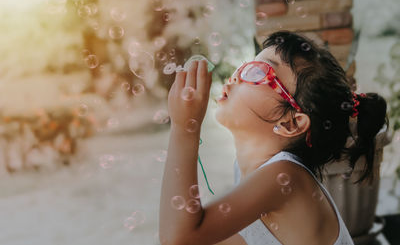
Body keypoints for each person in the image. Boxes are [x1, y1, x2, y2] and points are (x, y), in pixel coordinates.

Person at [159, 31, 388, 245]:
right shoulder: (256, 172)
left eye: (258, 72)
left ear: (291, 123)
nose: (238, 75)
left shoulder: (284, 177)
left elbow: (179, 239)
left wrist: (184, 128)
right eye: (246, 65)